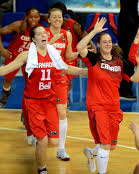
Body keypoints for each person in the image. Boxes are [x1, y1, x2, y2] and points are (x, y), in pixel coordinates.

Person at [0, 25, 87, 174]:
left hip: (50, 102)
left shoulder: (53, 54)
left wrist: (88, 72)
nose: (43, 35)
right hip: (33, 102)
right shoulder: (27, 55)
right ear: (33, 39)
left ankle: (37, 140)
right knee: (43, 140)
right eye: (39, 34)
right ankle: (42, 169)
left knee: (53, 142)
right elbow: (7, 69)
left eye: (44, 33)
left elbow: (66, 68)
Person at [76, 17, 139, 174]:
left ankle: (91, 153)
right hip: (97, 107)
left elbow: (135, 79)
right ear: (99, 45)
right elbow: (80, 47)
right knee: (106, 144)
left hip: (114, 108)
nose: (107, 44)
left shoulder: (119, 62)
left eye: (109, 41)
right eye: (104, 41)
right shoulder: (94, 59)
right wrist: (94, 32)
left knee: (110, 145)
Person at [45, 7, 79, 161]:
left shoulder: (67, 34)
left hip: (59, 78)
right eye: (54, 17)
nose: (58, 19)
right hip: (44, 77)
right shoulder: (43, 33)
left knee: (62, 112)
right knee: (44, 111)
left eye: (60, 17)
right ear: (49, 19)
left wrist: (81, 51)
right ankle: (38, 137)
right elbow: (39, 51)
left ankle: (61, 149)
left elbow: (68, 55)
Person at [0, 7, 41, 108]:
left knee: (30, 82)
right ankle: (6, 91)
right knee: (7, 79)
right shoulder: (18, 25)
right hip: (13, 55)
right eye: (31, 17)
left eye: (36, 17)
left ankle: (28, 106)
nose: (33, 19)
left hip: (29, 58)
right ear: (26, 17)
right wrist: (2, 50)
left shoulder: (40, 29)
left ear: (39, 17)